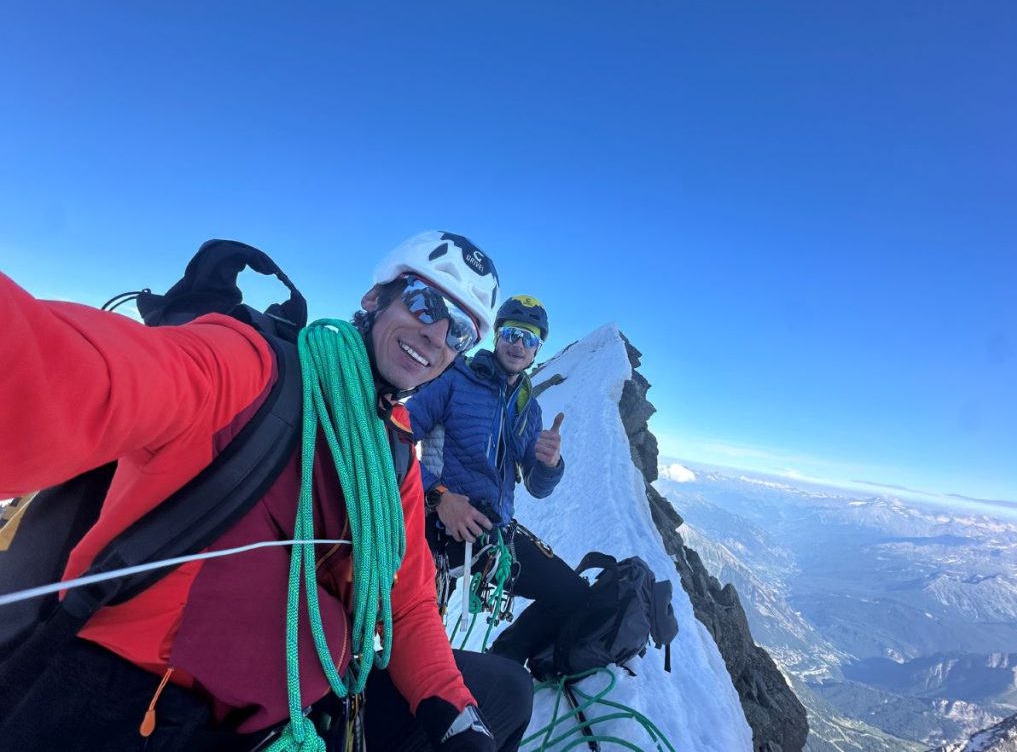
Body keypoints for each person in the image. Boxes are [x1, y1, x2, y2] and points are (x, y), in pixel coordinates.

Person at [0, 232, 533, 751]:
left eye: (460, 329)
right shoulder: (253, 368)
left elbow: (407, 604)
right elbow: (74, 374)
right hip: (131, 704)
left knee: (506, 690)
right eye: (424, 303)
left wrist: (455, 714)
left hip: (291, 717)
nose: (437, 334)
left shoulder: (392, 453)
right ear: (375, 298)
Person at [406, 295, 588, 666]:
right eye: (511, 333)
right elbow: (396, 436)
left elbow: (536, 487)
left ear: (538, 348)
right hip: (440, 531)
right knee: (419, 645)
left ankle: (503, 665)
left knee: (571, 594)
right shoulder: (453, 380)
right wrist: (439, 497)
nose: (518, 344)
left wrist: (550, 464)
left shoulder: (528, 407)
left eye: (529, 338)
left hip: (495, 536)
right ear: (497, 337)